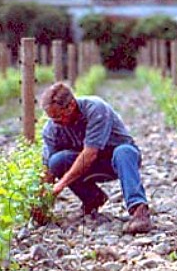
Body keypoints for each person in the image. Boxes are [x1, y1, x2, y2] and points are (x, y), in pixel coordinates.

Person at [36, 82, 151, 235]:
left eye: (58, 116)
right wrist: (43, 201)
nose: (55, 122)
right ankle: (93, 199)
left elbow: (90, 154)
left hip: (116, 160)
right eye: (51, 118)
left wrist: (61, 185)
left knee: (124, 152)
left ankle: (139, 211)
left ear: (71, 106)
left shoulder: (96, 109)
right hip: (88, 164)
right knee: (56, 161)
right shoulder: (52, 129)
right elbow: (48, 170)